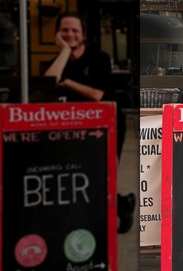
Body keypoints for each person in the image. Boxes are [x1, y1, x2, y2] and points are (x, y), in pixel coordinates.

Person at [43, 12, 136, 234]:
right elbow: (47, 84)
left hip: (108, 125)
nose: (70, 34)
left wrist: (66, 83)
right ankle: (120, 203)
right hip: (74, 126)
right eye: (65, 30)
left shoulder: (99, 58)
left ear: (83, 35)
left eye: (75, 30)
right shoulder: (57, 62)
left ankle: (115, 209)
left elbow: (97, 94)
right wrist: (64, 52)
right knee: (79, 175)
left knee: (102, 174)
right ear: (58, 35)